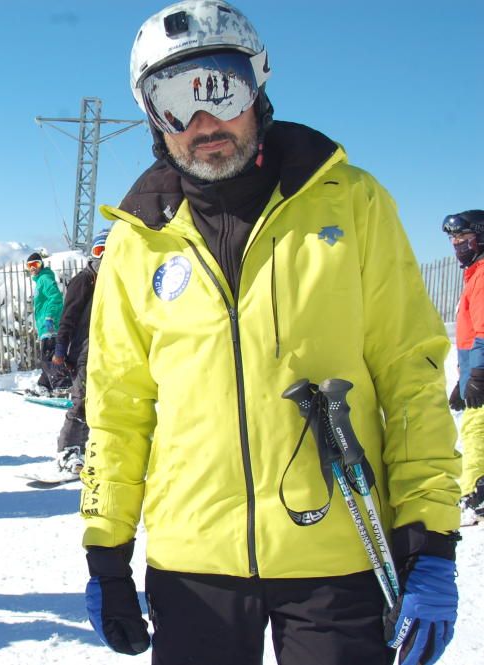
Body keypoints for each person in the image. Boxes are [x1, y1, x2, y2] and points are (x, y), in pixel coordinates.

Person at [81, 3, 461, 665]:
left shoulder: (350, 203)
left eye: (219, 88)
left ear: (257, 87)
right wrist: (107, 554)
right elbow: (117, 409)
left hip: (336, 553)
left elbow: (410, 378)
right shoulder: (138, 242)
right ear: (151, 118)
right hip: (193, 565)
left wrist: (429, 540)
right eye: (174, 101)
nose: (203, 121)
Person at [50, 230, 107, 476]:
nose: (103, 257)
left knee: (104, 403)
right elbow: (68, 317)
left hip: (109, 351)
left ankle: (93, 450)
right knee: (82, 401)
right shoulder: (85, 280)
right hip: (85, 351)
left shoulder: (115, 281)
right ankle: (69, 452)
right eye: (98, 251)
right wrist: (61, 349)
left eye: (109, 251)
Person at [443, 209, 484, 526]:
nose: (458, 245)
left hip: (481, 372)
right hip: (473, 368)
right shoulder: (474, 274)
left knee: (476, 433)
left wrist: (479, 376)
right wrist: (463, 379)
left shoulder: (483, 274)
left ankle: (475, 497)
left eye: (464, 238)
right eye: (454, 240)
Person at [25, 252, 70, 394]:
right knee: (47, 356)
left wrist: (50, 317)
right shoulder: (40, 281)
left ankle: (62, 385)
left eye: (36, 264)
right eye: (30, 266)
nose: (33, 268)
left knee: (48, 358)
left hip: (50, 325)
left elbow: (56, 297)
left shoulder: (44, 278)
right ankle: (44, 384)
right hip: (45, 327)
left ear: (41, 264)